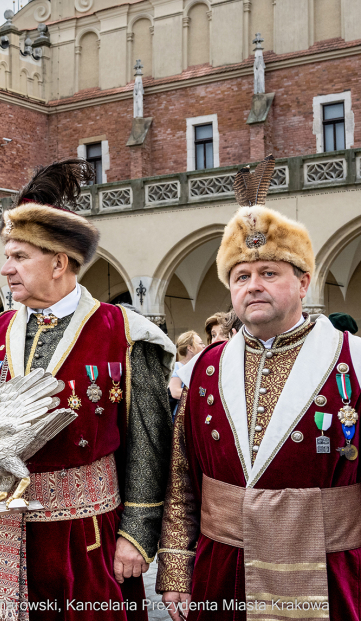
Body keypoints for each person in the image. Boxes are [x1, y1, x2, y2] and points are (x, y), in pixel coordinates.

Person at [0, 160, 176, 621]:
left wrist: (136, 533)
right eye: (7, 255)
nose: (6, 269)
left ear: (58, 262)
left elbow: (151, 444)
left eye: (19, 257)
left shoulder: (125, 332)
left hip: (83, 535)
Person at [156, 162, 361, 620]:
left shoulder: (354, 360)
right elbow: (182, 477)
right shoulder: (206, 368)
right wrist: (175, 569)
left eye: (269, 272)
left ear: (303, 281)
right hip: (223, 569)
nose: (254, 286)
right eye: (241, 276)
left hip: (332, 570)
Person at [168, 331, 204, 414]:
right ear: (190, 348)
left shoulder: (200, 366)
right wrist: (201, 395)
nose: (204, 346)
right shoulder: (178, 366)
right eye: (200, 343)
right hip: (183, 416)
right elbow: (175, 392)